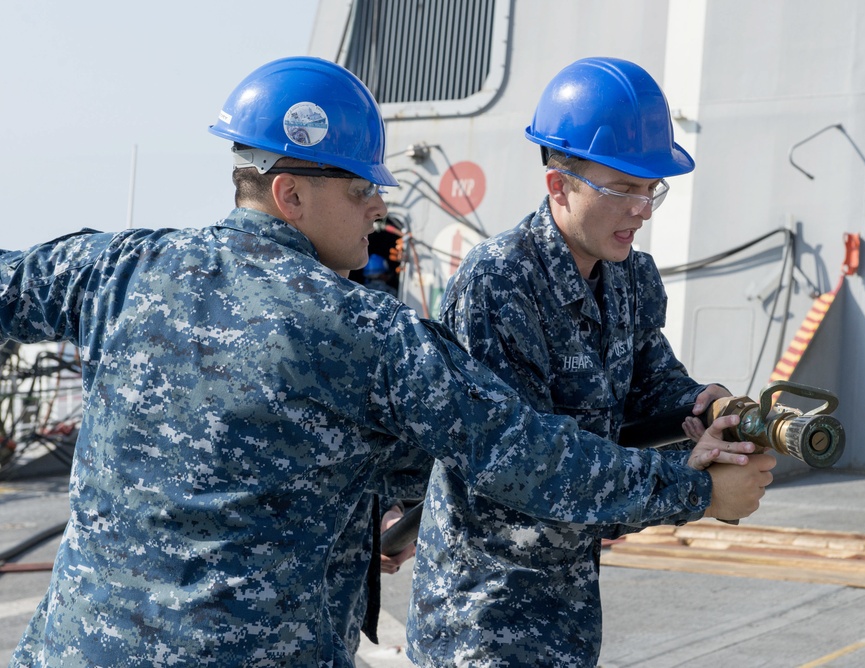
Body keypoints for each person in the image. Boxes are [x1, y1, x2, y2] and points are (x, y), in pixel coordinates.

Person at [2, 56, 771, 667]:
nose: (380, 206)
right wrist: (695, 491)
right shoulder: (363, 331)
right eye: (364, 186)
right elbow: (525, 453)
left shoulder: (116, 271)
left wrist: (385, 518)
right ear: (291, 194)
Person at [407, 57, 770, 667]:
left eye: (651, 188)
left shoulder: (626, 275)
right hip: (484, 618)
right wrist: (698, 490)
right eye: (623, 189)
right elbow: (528, 463)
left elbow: (653, 383)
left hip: (567, 611)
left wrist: (707, 410)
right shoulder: (500, 285)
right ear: (559, 186)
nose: (643, 210)